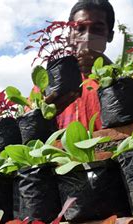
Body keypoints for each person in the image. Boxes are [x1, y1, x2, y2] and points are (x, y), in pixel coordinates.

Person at [46, 0, 115, 130]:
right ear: (70, 36)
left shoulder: (123, 81)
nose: (88, 36)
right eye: (80, 29)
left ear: (110, 36)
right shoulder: (48, 85)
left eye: (97, 29)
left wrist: (112, 72)